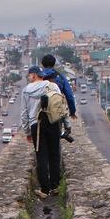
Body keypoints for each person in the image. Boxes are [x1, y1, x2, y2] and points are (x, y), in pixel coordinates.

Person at [21, 66, 67, 197]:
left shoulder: (26, 90)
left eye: (29, 75)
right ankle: (55, 185)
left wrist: (27, 132)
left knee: (41, 156)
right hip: (53, 122)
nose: (29, 78)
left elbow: (24, 113)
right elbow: (61, 105)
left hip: (37, 124)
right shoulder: (53, 86)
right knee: (54, 154)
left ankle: (44, 189)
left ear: (34, 75)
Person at [40, 54, 76, 143]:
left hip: (40, 110)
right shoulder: (60, 76)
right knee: (57, 133)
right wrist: (72, 111)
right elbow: (69, 96)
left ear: (42, 64)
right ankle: (66, 131)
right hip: (56, 109)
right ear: (54, 64)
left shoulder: (38, 77)